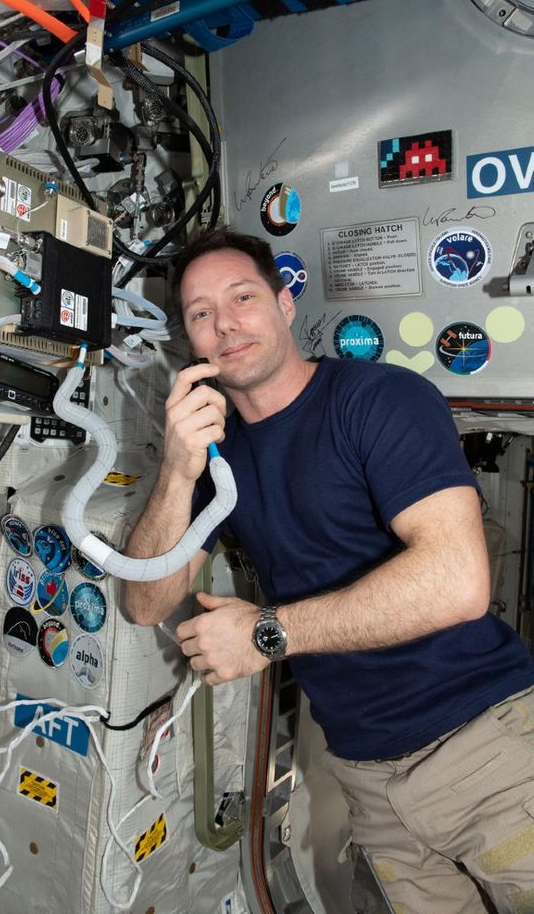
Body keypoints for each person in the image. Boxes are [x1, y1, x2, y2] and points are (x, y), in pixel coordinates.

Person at [123, 228, 534, 913]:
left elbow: (456, 582)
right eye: (200, 313)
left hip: (483, 745)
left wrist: (264, 635)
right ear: (189, 341)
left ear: (284, 304)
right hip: (368, 778)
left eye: (242, 297)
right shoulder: (217, 459)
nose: (224, 323)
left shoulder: (378, 399)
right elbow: (146, 601)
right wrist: (175, 468)